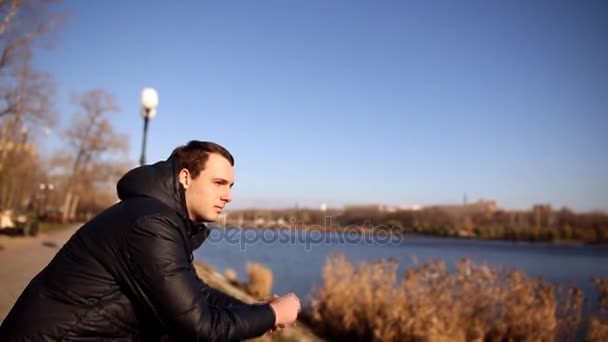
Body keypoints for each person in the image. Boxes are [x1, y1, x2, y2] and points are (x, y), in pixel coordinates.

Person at [0, 140, 301, 341]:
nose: (229, 195)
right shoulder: (150, 223)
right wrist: (273, 313)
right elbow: (200, 326)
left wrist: (256, 308)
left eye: (231, 186)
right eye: (219, 183)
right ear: (185, 178)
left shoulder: (160, 217)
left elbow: (195, 293)